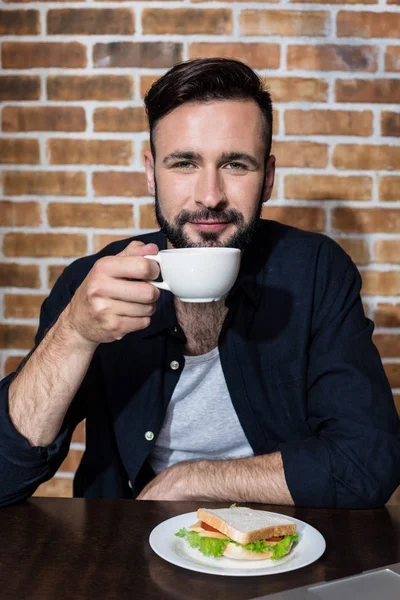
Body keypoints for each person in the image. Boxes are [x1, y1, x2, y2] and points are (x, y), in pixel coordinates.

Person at [0, 58, 399, 509]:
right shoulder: (93, 284)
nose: (210, 196)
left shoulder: (316, 272)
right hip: (129, 550)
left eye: (235, 164)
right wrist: (74, 333)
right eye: (185, 163)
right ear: (151, 172)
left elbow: (368, 462)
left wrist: (190, 481)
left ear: (267, 178)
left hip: (280, 548)